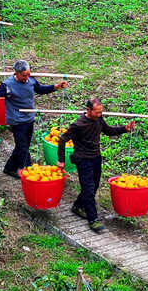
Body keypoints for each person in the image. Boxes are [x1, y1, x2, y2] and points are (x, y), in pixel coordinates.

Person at [0, 60, 67, 178]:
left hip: (29, 118)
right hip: (17, 121)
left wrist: (55, 87)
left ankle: (9, 168)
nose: (27, 77)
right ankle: (30, 173)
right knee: (23, 148)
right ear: (16, 73)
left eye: (28, 74)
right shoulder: (8, 85)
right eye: (24, 75)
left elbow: (40, 89)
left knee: (23, 146)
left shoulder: (30, 79)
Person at [57, 98, 134, 233]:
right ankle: (93, 219)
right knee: (88, 188)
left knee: (94, 186)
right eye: (97, 112)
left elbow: (109, 131)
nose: (100, 115)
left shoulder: (98, 119)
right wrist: (61, 160)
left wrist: (125, 129)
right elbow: (63, 139)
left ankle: (77, 206)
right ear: (88, 110)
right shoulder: (78, 124)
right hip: (82, 159)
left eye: (101, 112)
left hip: (96, 158)